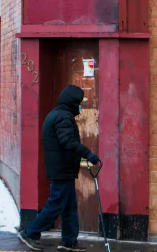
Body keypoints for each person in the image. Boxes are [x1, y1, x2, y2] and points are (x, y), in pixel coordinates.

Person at [18, 85, 99, 252]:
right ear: (72, 102)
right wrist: (88, 153)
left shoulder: (57, 114)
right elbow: (68, 142)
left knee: (69, 207)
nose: (80, 106)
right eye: (78, 102)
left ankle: (69, 241)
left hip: (63, 169)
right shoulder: (63, 117)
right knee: (55, 205)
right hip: (61, 169)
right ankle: (30, 233)